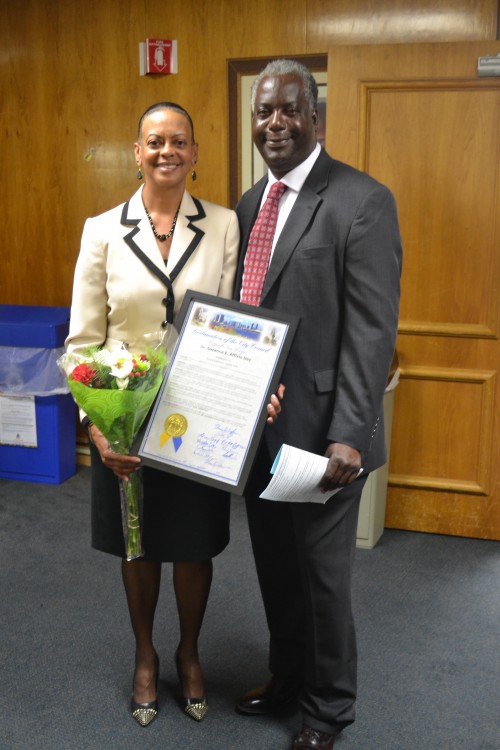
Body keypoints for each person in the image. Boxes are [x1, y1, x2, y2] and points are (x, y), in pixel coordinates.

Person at [65, 101, 281, 728]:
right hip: (124, 412)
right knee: (138, 544)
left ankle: (189, 652)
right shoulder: (101, 230)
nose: (166, 151)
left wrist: (253, 382)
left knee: (192, 545)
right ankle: (143, 652)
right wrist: (98, 430)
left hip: (199, 413)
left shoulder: (221, 225)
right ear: (137, 152)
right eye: (154, 141)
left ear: (194, 153)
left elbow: (240, 321)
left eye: (178, 141)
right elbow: (82, 345)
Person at [233, 60, 402, 749]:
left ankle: (328, 711)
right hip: (261, 432)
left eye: (289, 110)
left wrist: (351, 438)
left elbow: (371, 330)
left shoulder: (362, 200)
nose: (275, 122)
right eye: (264, 111)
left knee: (325, 581)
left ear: (316, 120)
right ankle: (288, 678)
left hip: (328, 439)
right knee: (275, 569)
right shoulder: (250, 203)